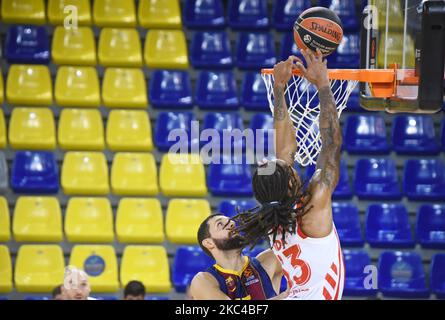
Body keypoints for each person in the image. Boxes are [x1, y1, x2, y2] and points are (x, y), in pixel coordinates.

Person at [232, 48, 345, 300]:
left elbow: (284, 150)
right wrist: (323, 86)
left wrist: (279, 88)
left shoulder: (273, 215)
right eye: (288, 168)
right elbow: (331, 145)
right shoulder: (313, 205)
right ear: (291, 181)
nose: (288, 162)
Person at [190, 213, 289, 300]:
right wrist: (284, 297)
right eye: (220, 224)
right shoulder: (203, 281)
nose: (232, 224)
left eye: (230, 222)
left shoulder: (269, 261)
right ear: (209, 243)